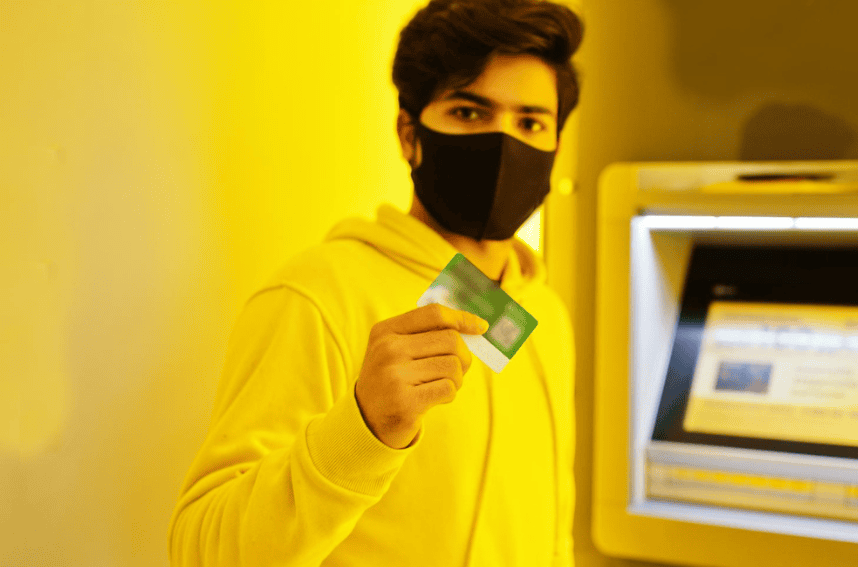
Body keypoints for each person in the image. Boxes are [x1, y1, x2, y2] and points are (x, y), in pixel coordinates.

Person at [168, 0, 582, 564]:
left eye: (530, 122)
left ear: (556, 145)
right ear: (409, 135)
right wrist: (361, 431)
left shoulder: (547, 316)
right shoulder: (316, 297)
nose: (504, 143)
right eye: (468, 112)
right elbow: (201, 549)